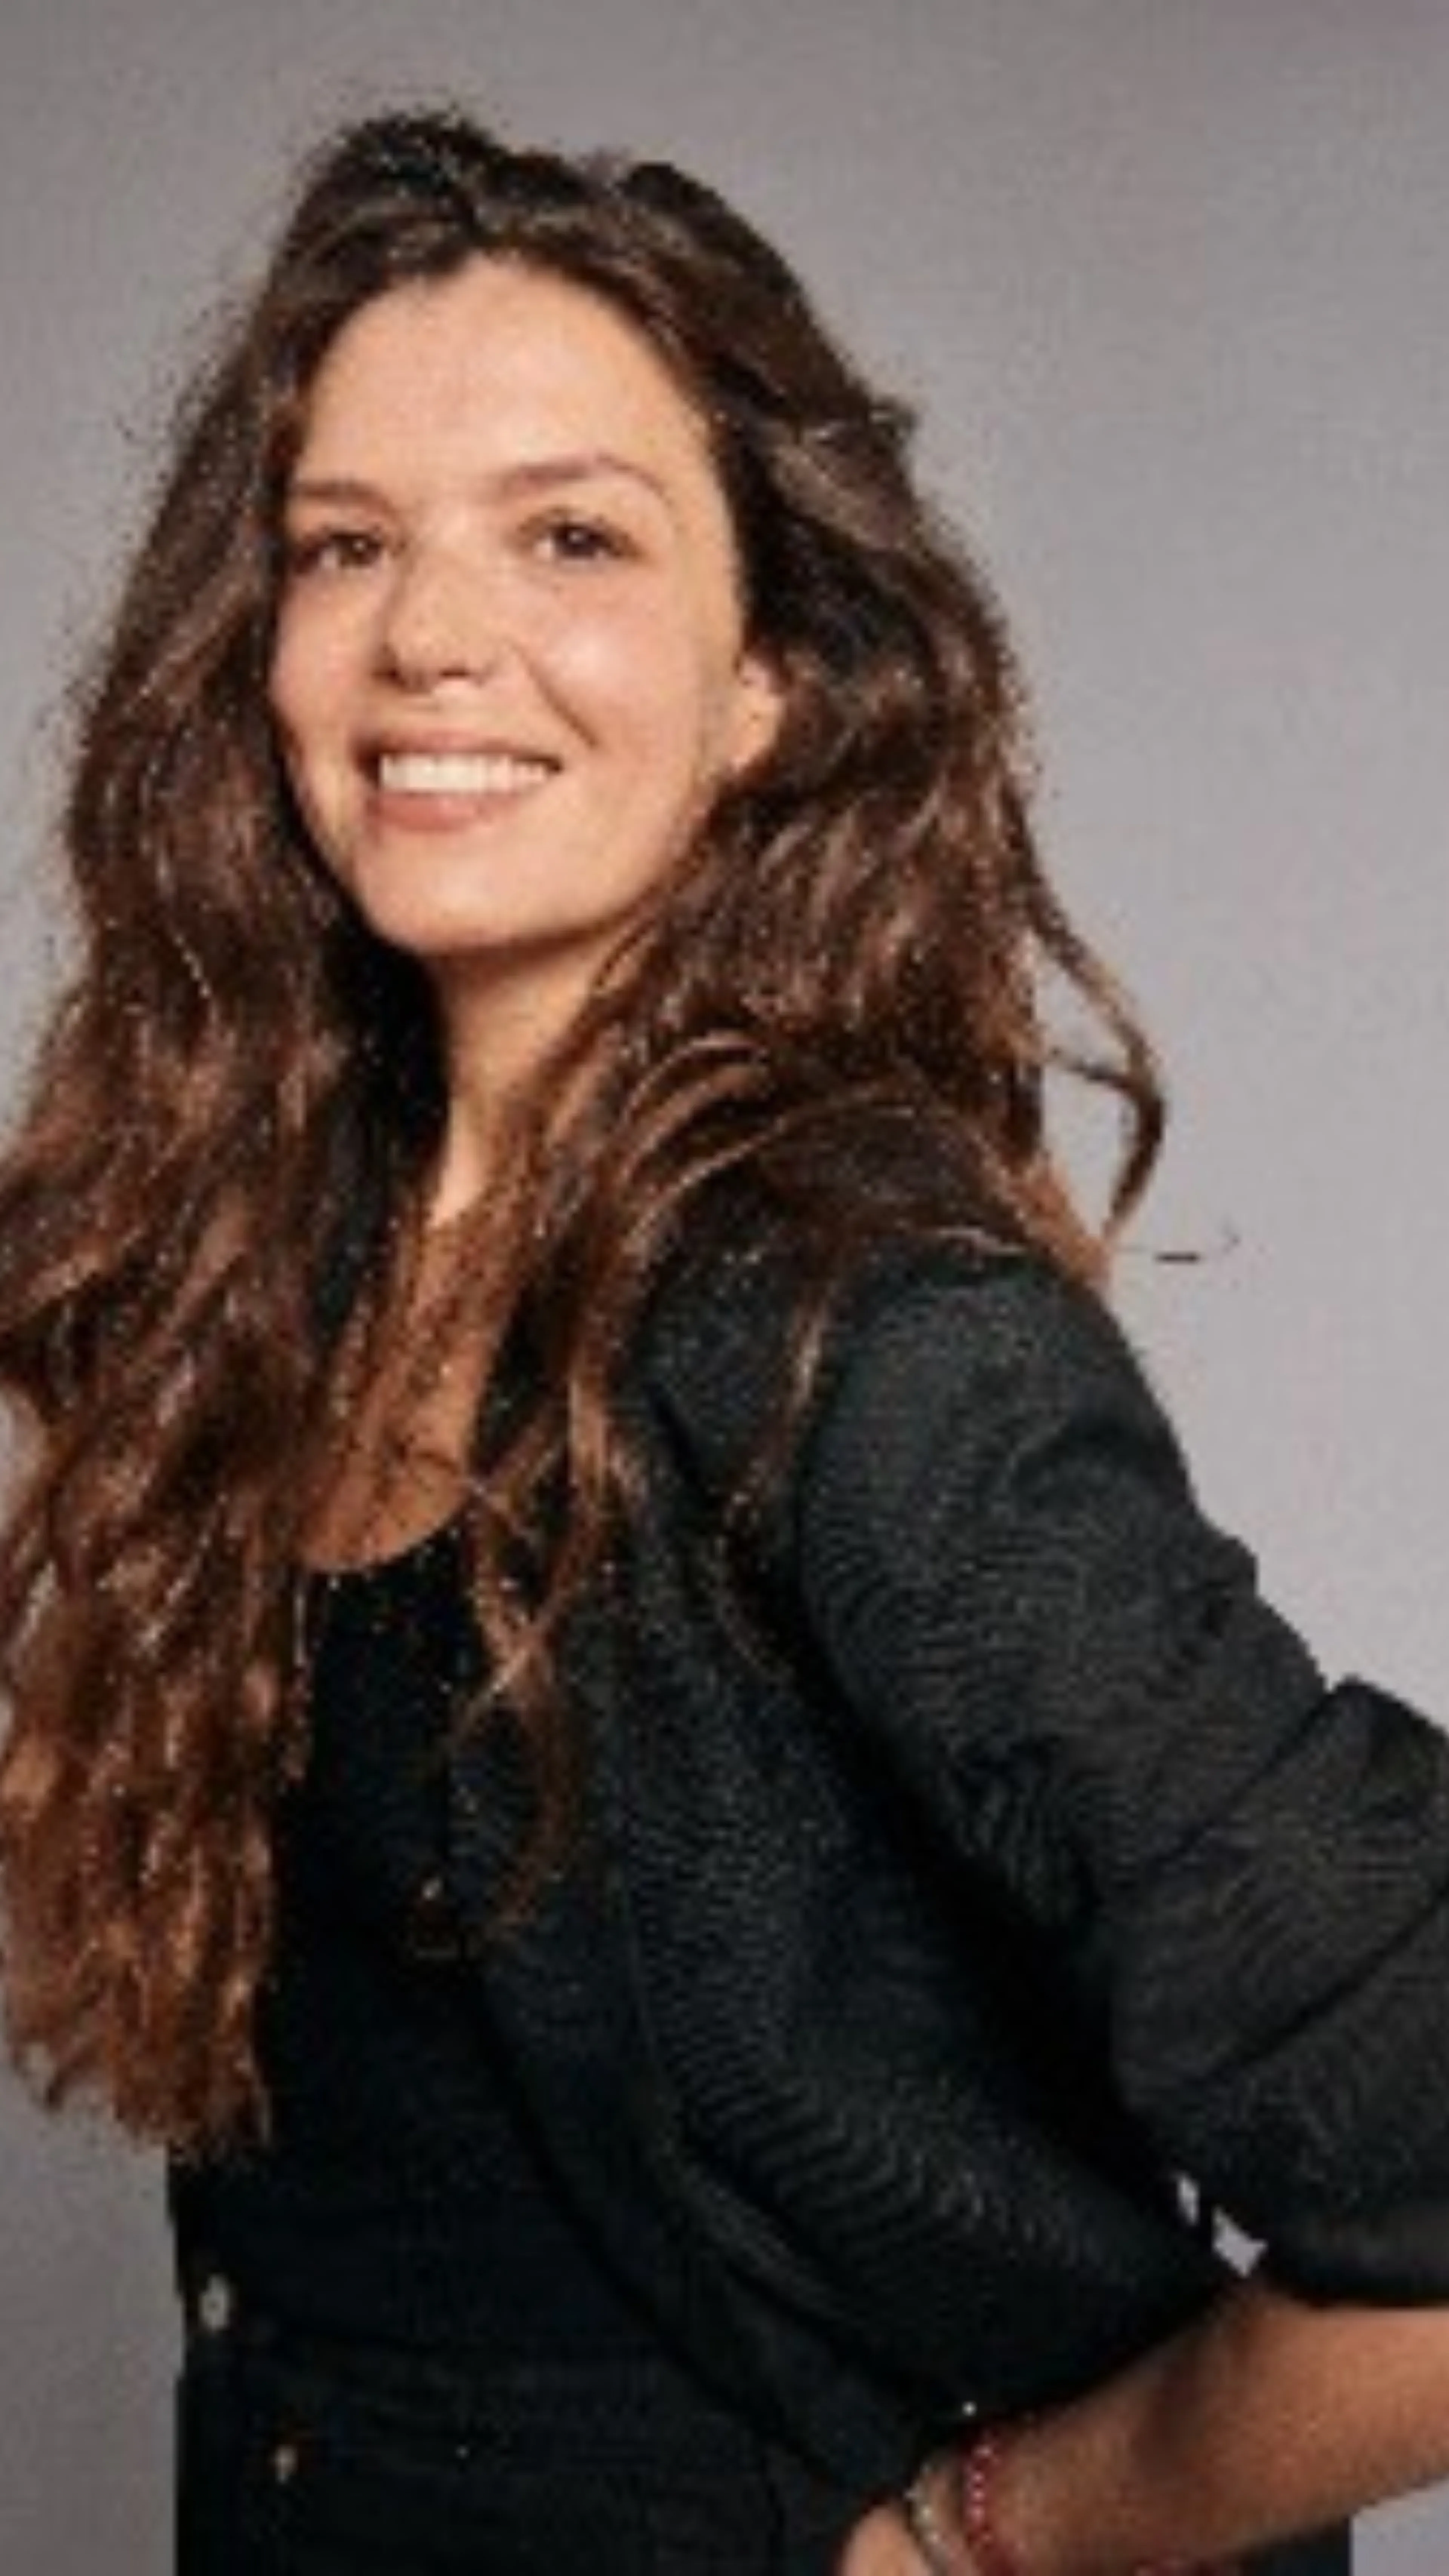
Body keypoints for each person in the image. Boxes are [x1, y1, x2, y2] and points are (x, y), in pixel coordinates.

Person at [2, 103, 1449, 2576]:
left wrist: (1008, 2528)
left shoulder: (866, 1328)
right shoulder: (280, 1245)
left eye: (571, 535)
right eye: (345, 543)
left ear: (768, 680)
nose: (428, 635)